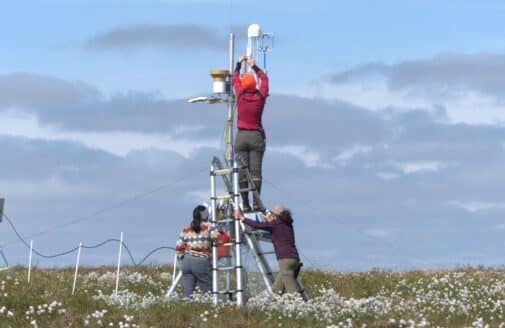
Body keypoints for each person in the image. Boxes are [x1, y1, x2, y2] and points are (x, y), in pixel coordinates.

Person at [235, 204, 303, 296]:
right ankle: (277, 306)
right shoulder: (288, 224)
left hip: (285, 259)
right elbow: (274, 230)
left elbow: (258, 225)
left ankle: (300, 305)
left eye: (270, 214)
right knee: (277, 289)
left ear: (274, 215)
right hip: (295, 259)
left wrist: (242, 218)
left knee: (292, 291)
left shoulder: (275, 224)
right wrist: (269, 221)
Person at [232, 55, 269, 212]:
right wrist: (254, 66)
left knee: (242, 171)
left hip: (241, 137)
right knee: (256, 172)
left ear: (243, 85)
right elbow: (265, 79)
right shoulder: (260, 97)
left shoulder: (240, 95)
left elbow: (234, 78)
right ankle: (256, 203)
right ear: (255, 85)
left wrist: (239, 64)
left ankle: (245, 204)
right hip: (256, 136)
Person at [176, 204, 220, 298]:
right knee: (209, 290)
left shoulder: (186, 229)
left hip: (186, 262)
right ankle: (213, 308)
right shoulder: (209, 226)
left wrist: (182, 259)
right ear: (205, 215)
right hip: (201, 261)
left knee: (187, 293)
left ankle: (186, 309)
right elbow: (219, 240)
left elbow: (179, 247)